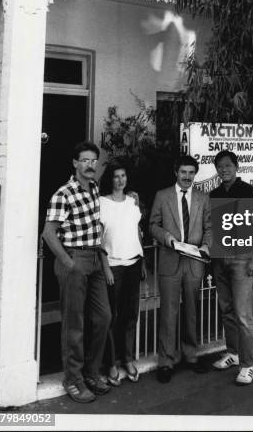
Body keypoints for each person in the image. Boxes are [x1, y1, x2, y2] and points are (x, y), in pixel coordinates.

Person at [42, 141, 111, 403]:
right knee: (75, 324)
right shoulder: (64, 194)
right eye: (85, 160)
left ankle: (91, 372)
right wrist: (69, 264)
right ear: (75, 163)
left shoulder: (94, 188)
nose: (90, 165)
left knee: (103, 317)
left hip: (93, 258)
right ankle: (73, 379)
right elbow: (49, 234)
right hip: (74, 259)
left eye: (94, 160)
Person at [149, 155, 212, 383]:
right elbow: (153, 225)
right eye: (183, 172)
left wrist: (206, 245)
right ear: (176, 172)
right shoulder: (162, 196)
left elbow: (209, 227)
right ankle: (166, 362)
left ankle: (191, 356)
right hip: (170, 258)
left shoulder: (203, 198)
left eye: (191, 173)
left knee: (192, 312)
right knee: (168, 312)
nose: (187, 177)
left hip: (194, 261)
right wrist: (168, 239)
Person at [209, 150, 253, 386]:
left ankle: (248, 365)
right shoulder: (215, 194)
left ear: (236, 167)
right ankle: (233, 353)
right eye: (220, 166)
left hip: (242, 258)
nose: (224, 170)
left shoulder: (249, 192)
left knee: (243, 315)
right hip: (220, 259)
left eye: (228, 166)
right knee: (227, 311)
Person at [99, 159, 146, 386]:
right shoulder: (101, 203)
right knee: (111, 317)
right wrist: (106, 266)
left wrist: (143, 261)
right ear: (110, 179)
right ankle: (110, 363)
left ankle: (127, 359)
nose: (120, 180)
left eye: (123, 176)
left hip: (133, 265)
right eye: (116, 176)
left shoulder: (132, 201)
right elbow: (98, 240)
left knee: (130, 316)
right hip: (113, 266)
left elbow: (137, 232)